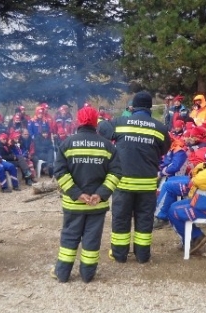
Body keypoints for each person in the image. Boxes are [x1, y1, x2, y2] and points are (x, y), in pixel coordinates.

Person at [98, 91, 170, 263]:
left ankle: (119, 255)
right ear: (150, 107)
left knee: (121, 219)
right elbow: (164, 150)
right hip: (147, 185)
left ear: (133, 106)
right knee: (144, 220)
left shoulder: (120, 122)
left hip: (123, 184)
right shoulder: (160, 128)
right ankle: (142, 256)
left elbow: (103, 130)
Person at [51, 106, 121, 283]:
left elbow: (60, 172)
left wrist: (77, 194)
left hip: (73, 204)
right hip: (97, 205)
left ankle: (62, 273)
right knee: (92, 239)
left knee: (69, 236)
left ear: (78, 121)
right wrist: (100, 194)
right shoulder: (107, 146)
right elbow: (115, 173)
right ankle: (87, 275)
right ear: (96, 122)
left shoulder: (67, 144)